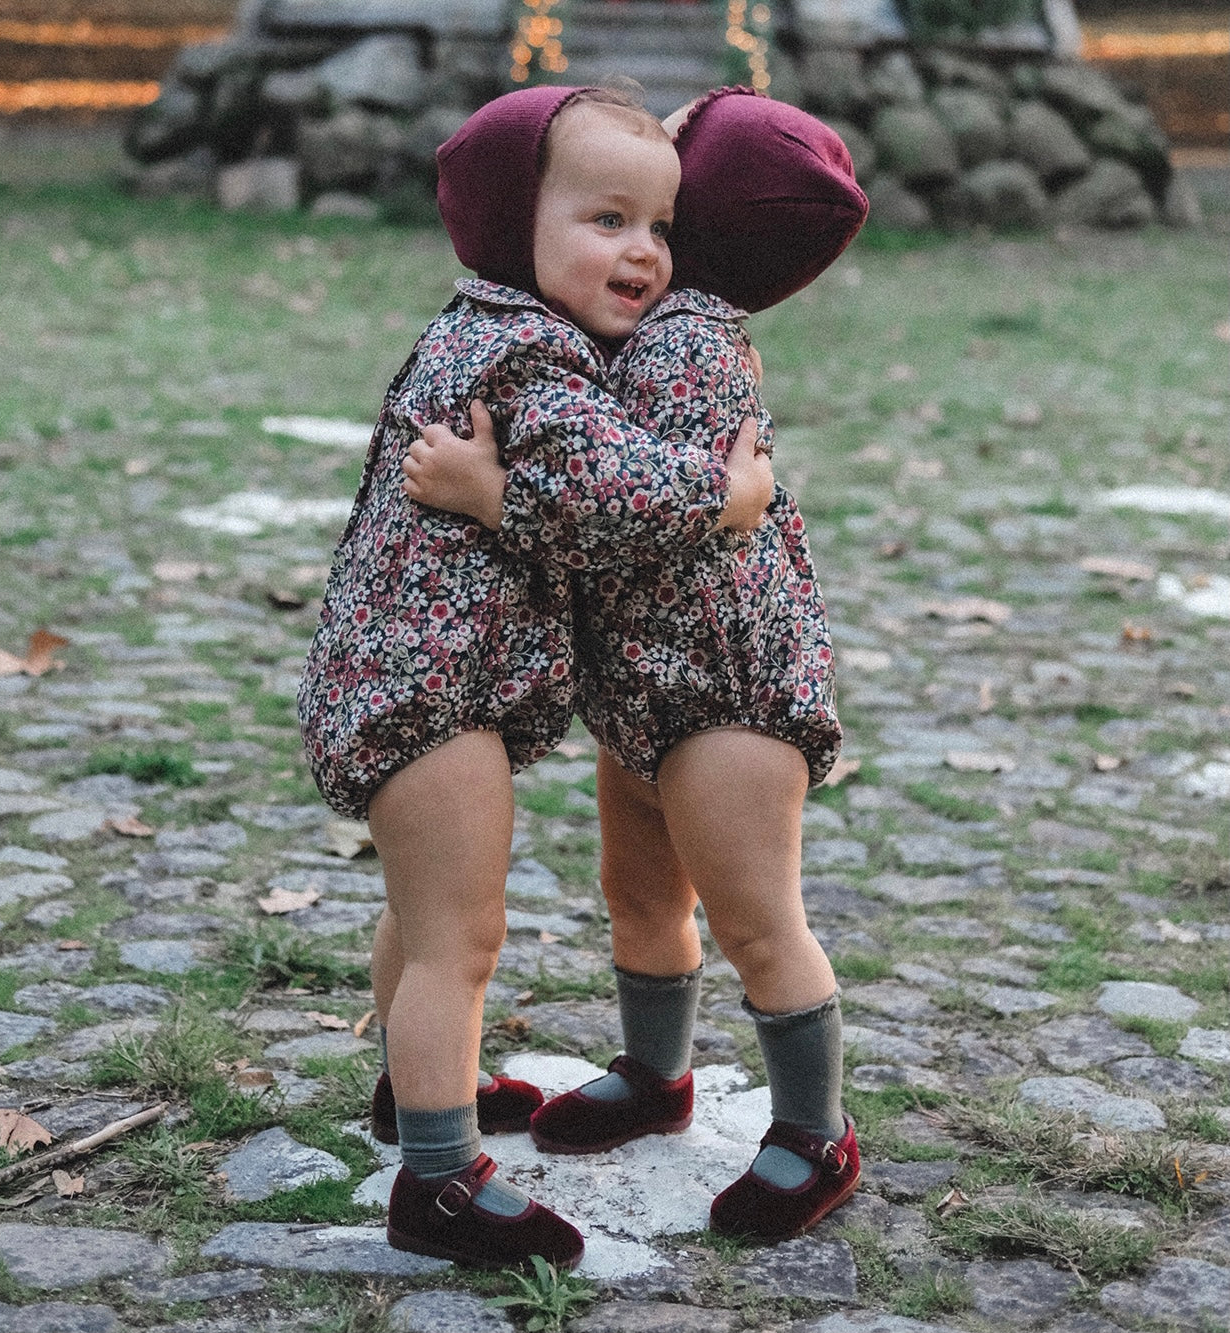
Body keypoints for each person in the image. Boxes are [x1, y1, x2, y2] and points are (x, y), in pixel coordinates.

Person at [298, 84, 773, 1270]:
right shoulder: (528, 350)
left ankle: (415, 1097)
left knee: (420, 915)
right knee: (462, 933)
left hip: (398, 674)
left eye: (658, 227)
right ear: (518, 224)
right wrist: (730, 497)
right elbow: (610, 499)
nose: (644, 253)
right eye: (606, 220)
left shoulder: (488, 325)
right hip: (432, 685)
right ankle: (440, 1185)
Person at [402, 87, 869, 1242]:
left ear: (701, 214)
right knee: (642, 892)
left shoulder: (689, 346)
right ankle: (659, 1075)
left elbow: (617, 507)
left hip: (725, 691)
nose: (642, 244)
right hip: (647, 679)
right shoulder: (640, 329)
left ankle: (815, 1130)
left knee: (759, 918)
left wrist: (491, 494)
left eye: (664, 207)